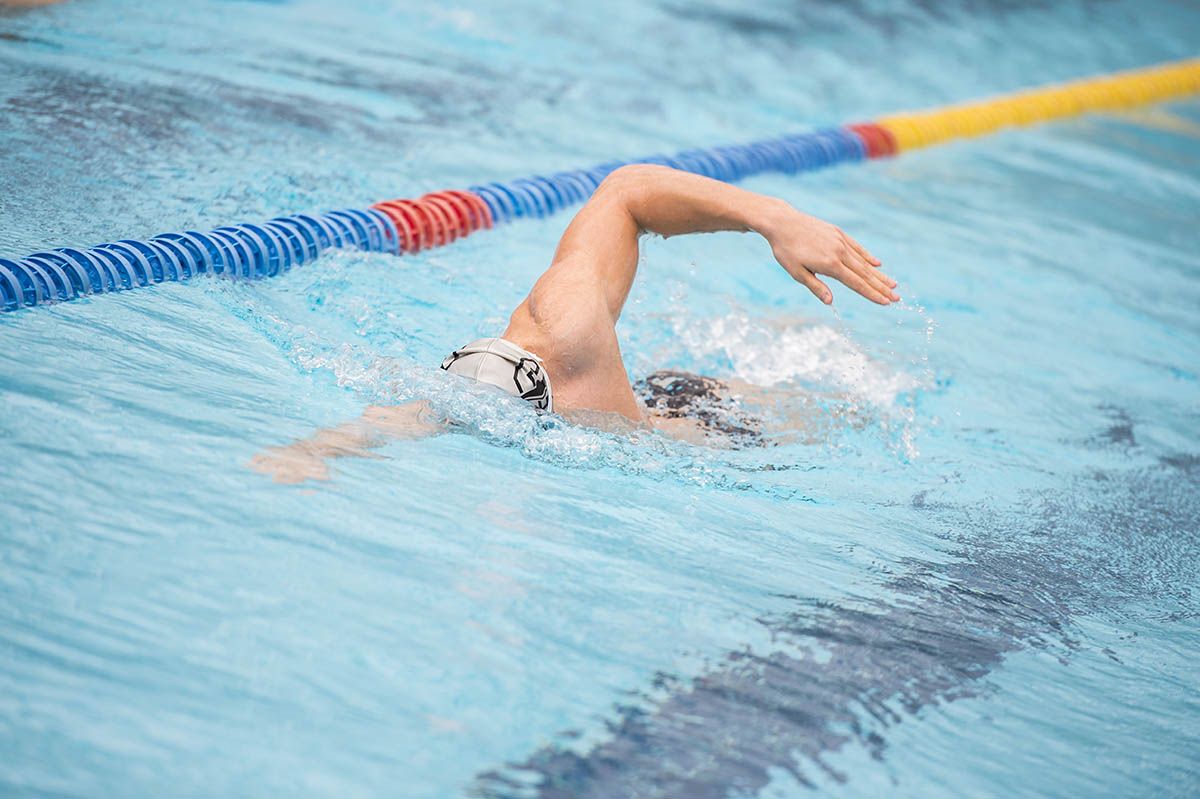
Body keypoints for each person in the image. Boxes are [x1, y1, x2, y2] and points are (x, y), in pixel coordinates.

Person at [250, 165, 897, 483]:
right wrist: (315, 451)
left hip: (707, 421)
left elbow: (625, 189)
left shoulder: (568, 326)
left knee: (860, 404)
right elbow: (409, 414)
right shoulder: (496, 367)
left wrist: (771, 216)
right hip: (642, 397)